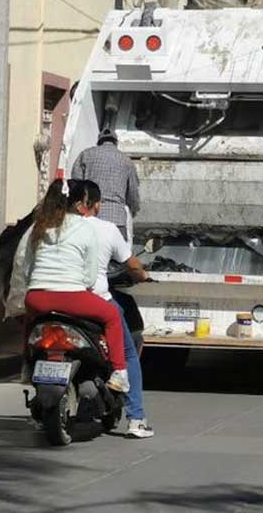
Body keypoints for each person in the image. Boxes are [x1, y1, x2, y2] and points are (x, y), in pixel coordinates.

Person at [18, 179, 129, 393]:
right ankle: (119, 372)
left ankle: (26, 365)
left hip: (37, 297)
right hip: (72, 297)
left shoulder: (39, 226)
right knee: (112, 316)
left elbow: (27, 267)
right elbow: (89, 276)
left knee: (30, 320)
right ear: (78, 203)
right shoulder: (85, 227)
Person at [79, 180, 155, 438]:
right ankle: (136, 419)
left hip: (54, 297)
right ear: (96, 205)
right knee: (128, 352)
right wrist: (143, 275)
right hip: (95, 299)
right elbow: (131, 264)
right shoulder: (107, 229)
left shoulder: (56, 227)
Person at [70, 129, 140, 240]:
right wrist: (134, 210)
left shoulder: (85, 155)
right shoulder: (127, 161)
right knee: (118, 255)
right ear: (116, 142)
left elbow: (75, 185)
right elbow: (133, 194)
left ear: (99, 141)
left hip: (90, 218)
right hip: (116, 220)